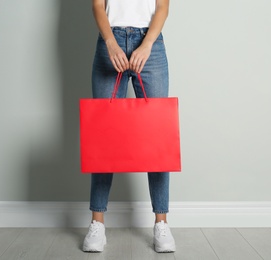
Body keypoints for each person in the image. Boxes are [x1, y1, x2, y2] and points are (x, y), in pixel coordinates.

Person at [83, 0, 175, 253]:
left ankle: (161, 223)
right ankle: (97, 224)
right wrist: (111, 42)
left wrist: (146, 45)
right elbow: (97, 5)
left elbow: (163, 7)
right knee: (103, 138)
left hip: (151, 45)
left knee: (157, 137)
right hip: (109, 41)